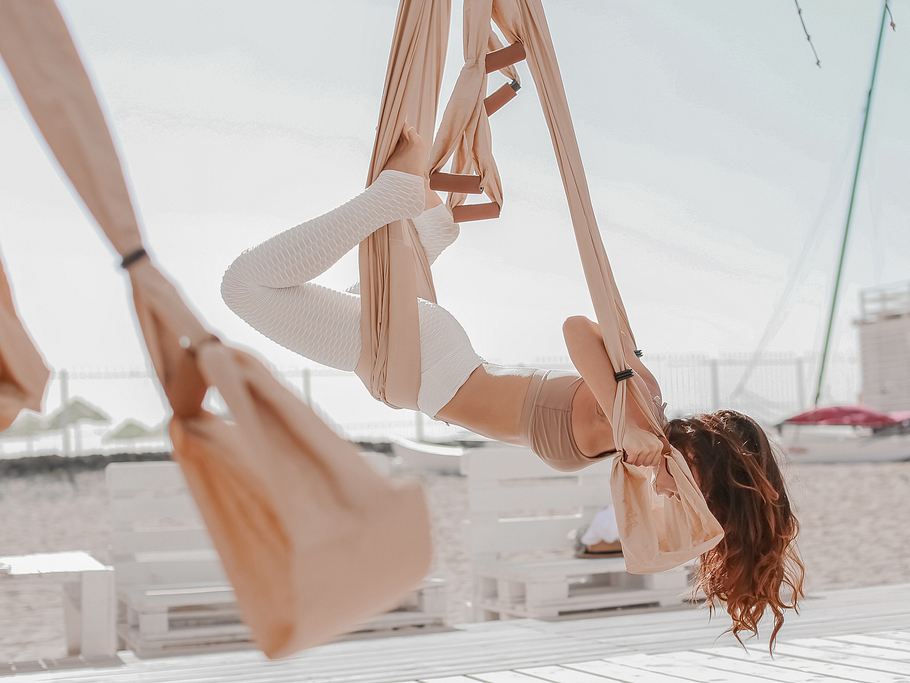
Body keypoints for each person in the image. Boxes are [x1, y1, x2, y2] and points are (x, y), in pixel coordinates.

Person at [221, 126, 805, 647]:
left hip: (431, 368)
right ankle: (389, 204)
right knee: (245, 286)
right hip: (428, 365)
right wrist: (620, 413)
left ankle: (428, 234)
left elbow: (649, 534)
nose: (676, 498)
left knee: (352, 300)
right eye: (700, 500)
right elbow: (578, 329)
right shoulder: (639, 411)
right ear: (706, 468)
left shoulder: (641, 446)